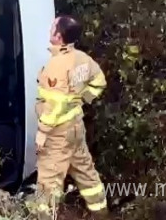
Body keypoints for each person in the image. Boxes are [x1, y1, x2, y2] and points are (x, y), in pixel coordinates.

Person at [34, 16, 109, 219]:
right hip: (76, 128)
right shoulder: (82, 59)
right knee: (86, 174)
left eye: (52, 27)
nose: (50, 29)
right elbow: (99, 81)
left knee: (48, 183)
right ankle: (101, 213)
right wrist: (82, 99)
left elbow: (56, 105)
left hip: (58, 133)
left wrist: (42, 132)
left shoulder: (57, 66)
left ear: (58, 36)